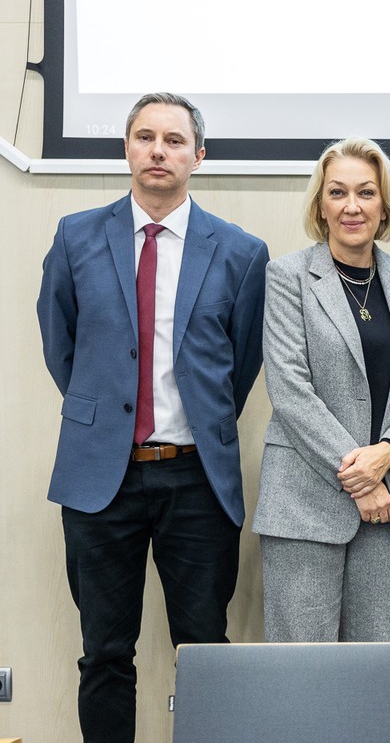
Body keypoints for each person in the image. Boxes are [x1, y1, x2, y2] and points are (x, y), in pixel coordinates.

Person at [36, 92, 268, 743]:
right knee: (104, 653)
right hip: (99, 479)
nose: (158, 151)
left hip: (196, 479)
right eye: (145, 137)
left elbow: (241, 362)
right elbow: (61, 345)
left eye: (173, 140)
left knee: (204, 649)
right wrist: (107, 416)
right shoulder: (77, 236)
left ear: (199, 155)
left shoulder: (241, 252)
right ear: (127, 148)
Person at [252, 138, 390, 642]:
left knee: (371, 666)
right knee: (301, 669)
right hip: (305, 501)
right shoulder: (287, 276)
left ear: (384, 206)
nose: (352, 206)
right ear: (320, 206)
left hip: (387, 506)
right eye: (337, 193)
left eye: (366, 192)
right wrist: (363, 478)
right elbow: (290, 388)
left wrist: (389, 452)